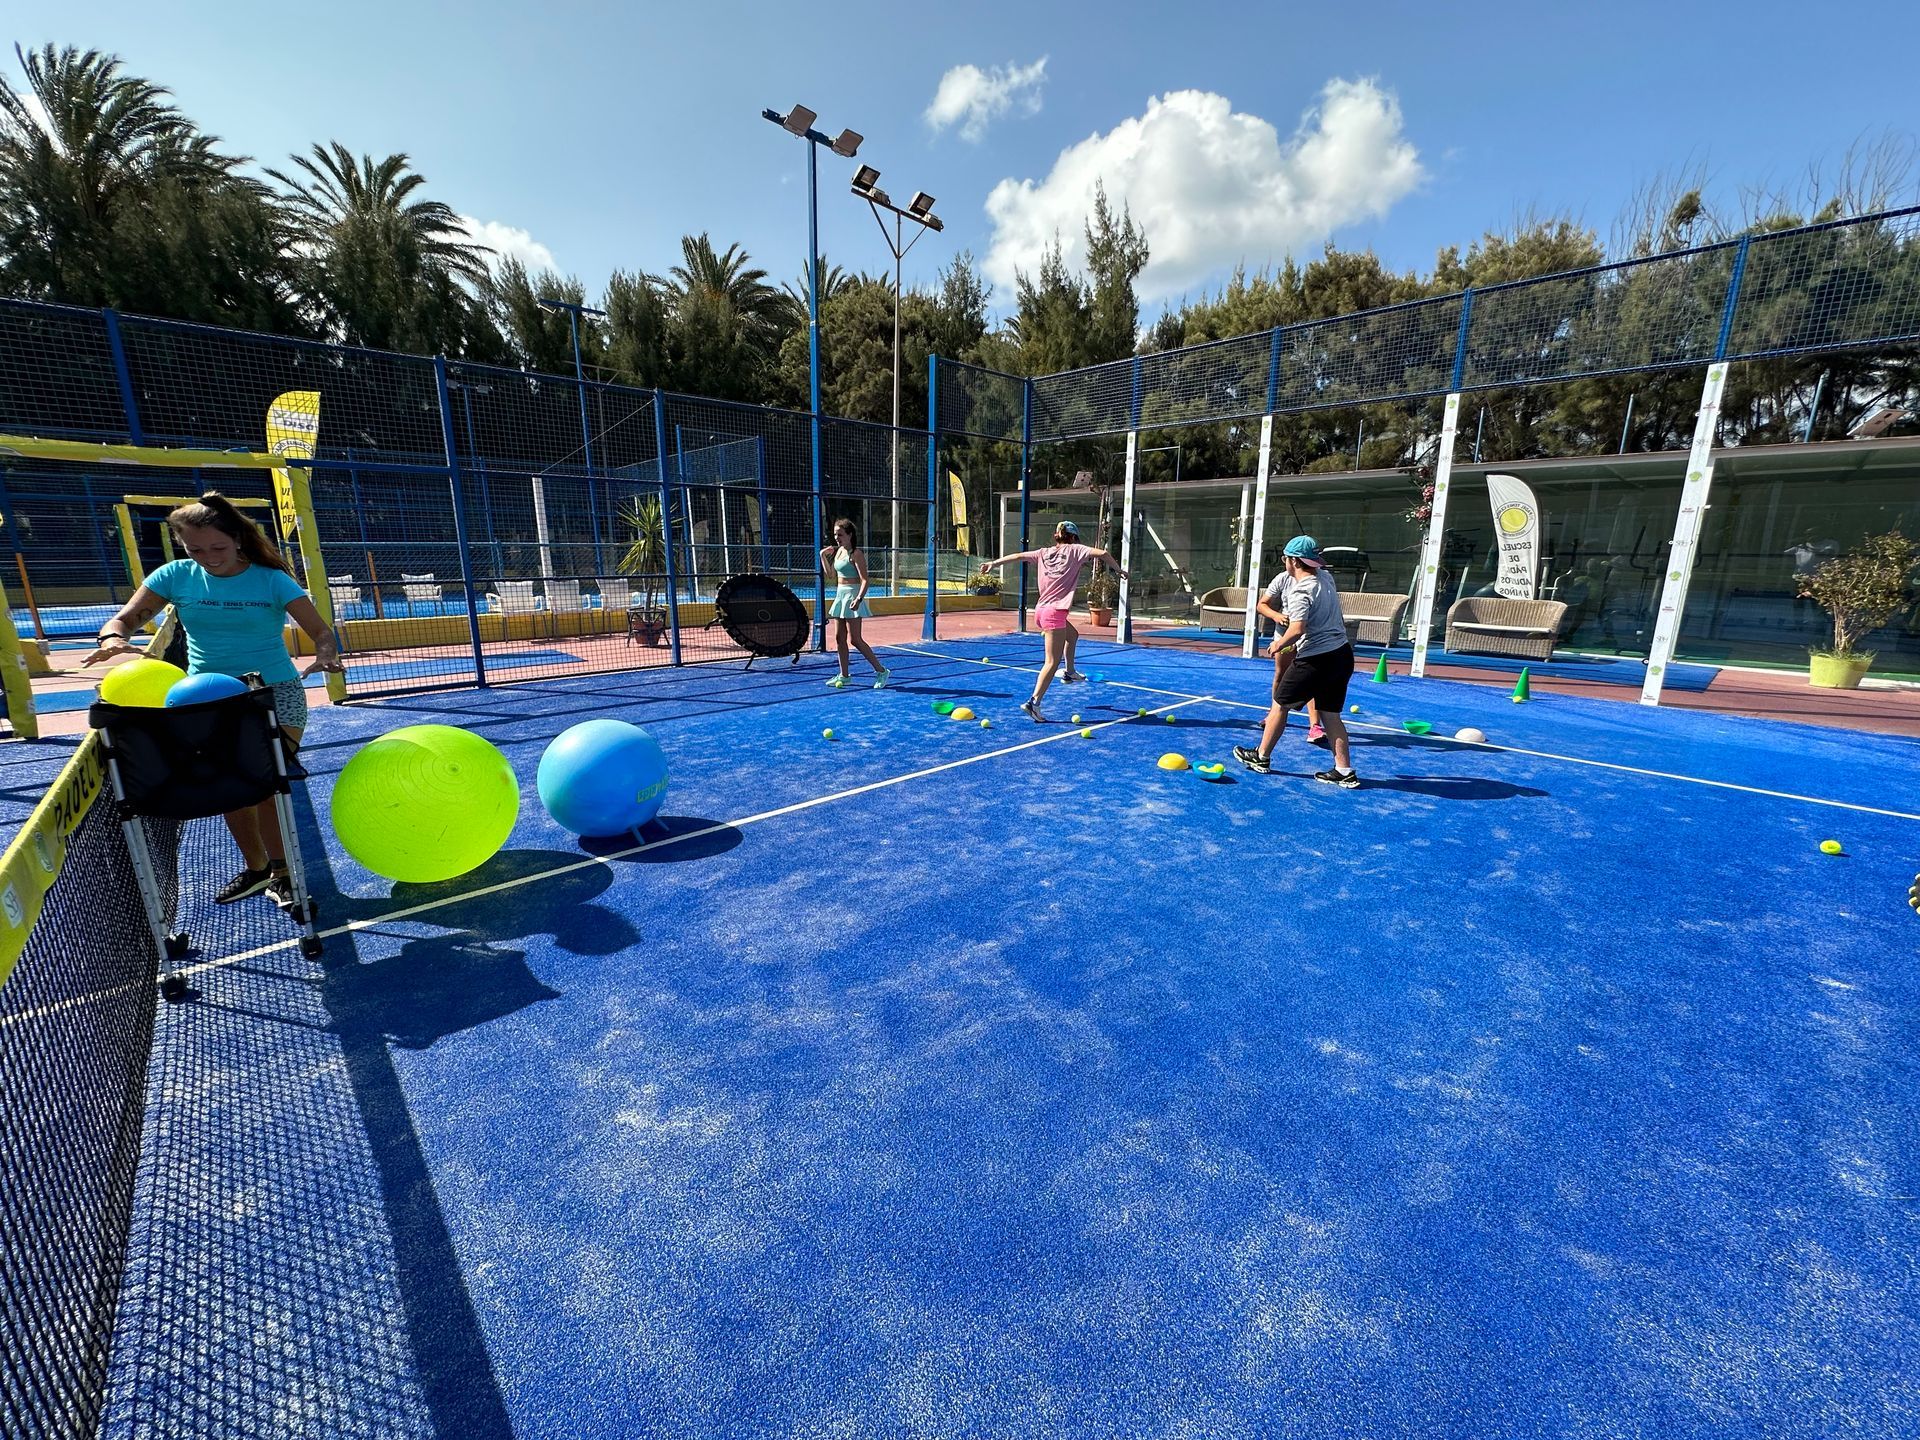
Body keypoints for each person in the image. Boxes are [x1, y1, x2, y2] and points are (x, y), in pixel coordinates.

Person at [86, 494, 345, 903]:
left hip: (273, 693)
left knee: (263, 782)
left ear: (238, 539)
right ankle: (257, 869)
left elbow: (321, 631)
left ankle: (282, 873)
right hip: (205, 698)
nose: (208, 558)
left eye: (218, 547)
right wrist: (112, 638)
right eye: (196, 549)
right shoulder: (175, 575)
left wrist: (327, 655)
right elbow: (126, 619)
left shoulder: (272, 580)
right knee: (227, 785)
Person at [1234, 535, 1360, 787]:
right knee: (1331, 714)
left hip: (1316, 658)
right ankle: (1344, 770)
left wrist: (1278, 644)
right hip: (1342, 655)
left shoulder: (1301, 591)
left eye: (1286, 558)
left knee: (1280, 704)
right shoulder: (1326, 577)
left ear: (1292, 561)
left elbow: (1297, 628)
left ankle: (1261, 757)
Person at [979, 520, 1126, 722]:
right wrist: (1119, 570)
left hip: (1041, 611)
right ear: (1073, 537)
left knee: (1072, 636)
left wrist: (993, 564)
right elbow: (1103, 554)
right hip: (1054, 613)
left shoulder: (1043, 553)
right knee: (1051, 662)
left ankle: (1070, 672)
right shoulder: (1076, 550)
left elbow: (1018, 556)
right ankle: (1034, 703)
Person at [820, 518, 890, 688]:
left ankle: (881, 671)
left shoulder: (856, 553)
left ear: (849, 535)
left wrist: (858, 599)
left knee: (855, 640)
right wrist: (822, 555)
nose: (836, 538)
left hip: (853, 596)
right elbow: (830, 575)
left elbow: (865, 580)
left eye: (840, 534)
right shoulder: (838, 552)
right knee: (839, 638)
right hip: (840, 596)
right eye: (835, 534)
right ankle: (844, 676)